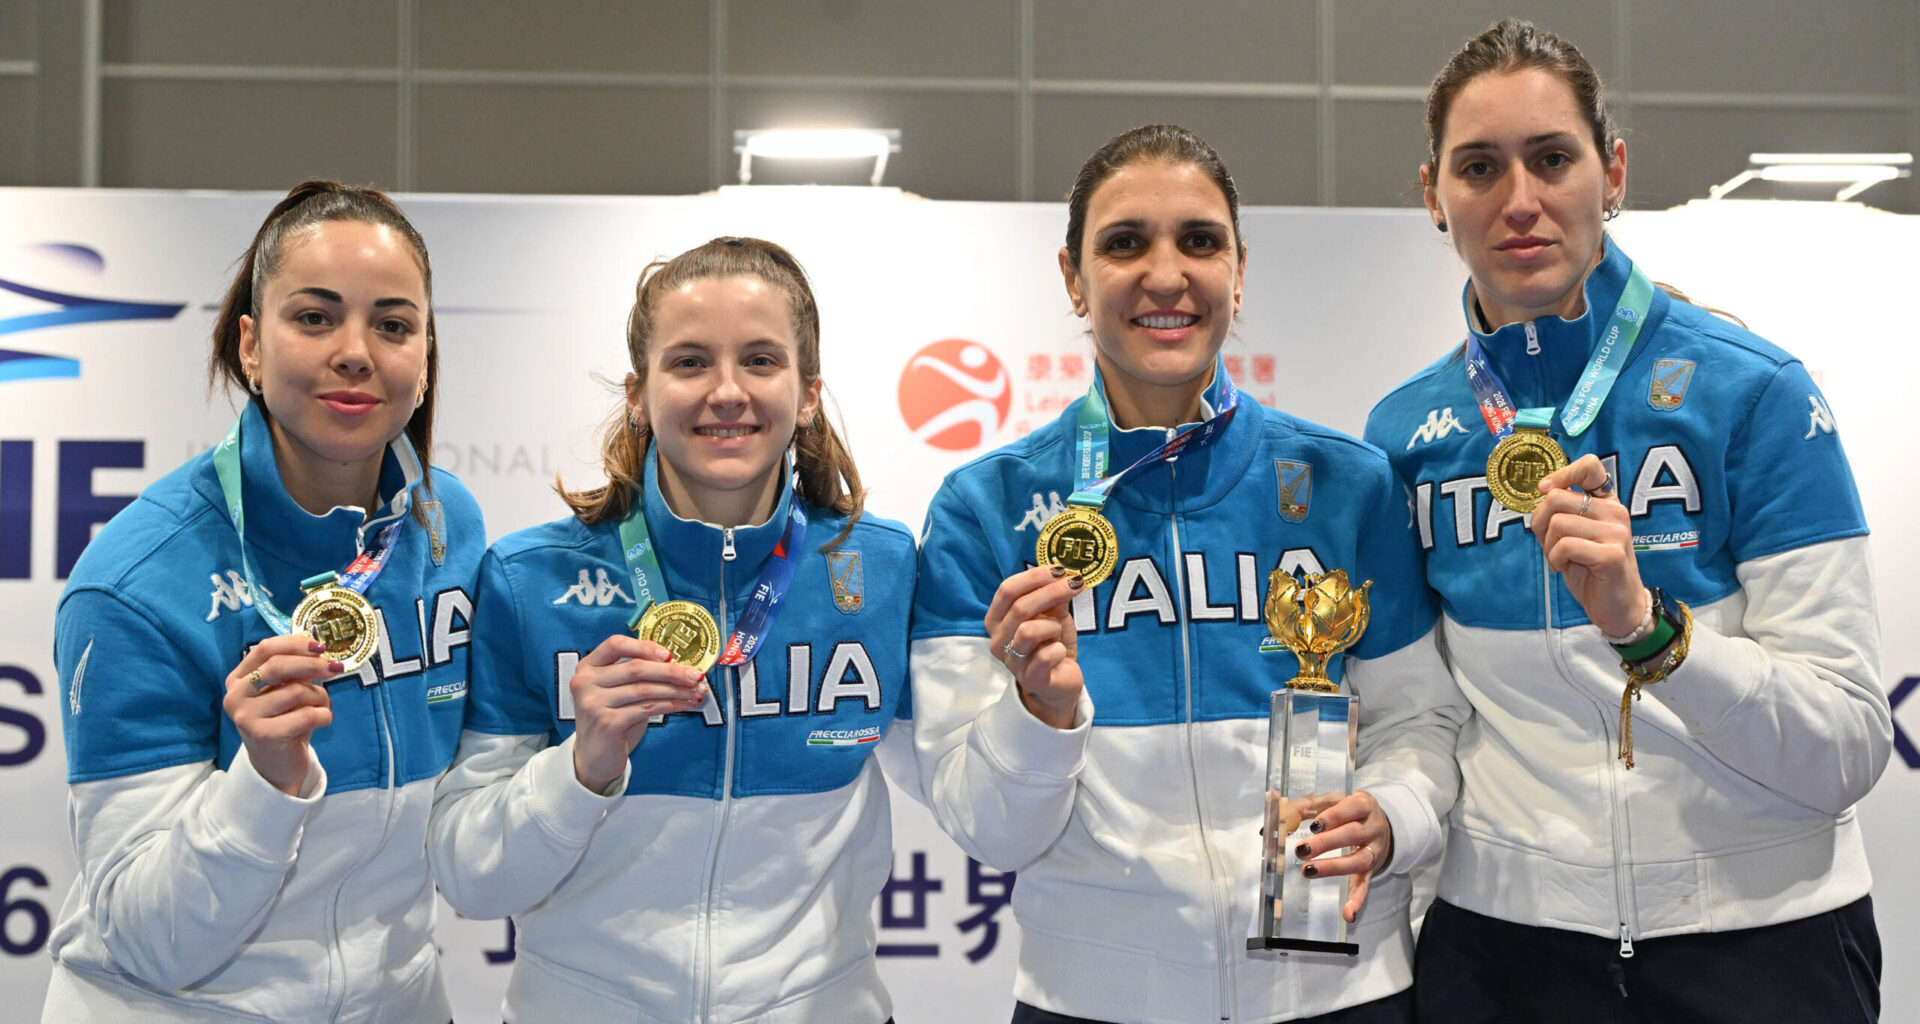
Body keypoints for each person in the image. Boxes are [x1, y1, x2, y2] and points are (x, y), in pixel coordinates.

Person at [1364, 19, 1890, 1022]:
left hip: (1763, 943)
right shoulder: (1403, 437)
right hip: (1502, 953)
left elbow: (1849, 746)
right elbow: (1420, 719)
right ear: (1435, 195)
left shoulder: (1753, 394)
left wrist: (1651, 632)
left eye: (1551, 159)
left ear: (1610, 172)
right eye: (1480, 167)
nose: (1519, 200)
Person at [912, 124, 1467, 1024]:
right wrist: (1040, 716)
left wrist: (1394, 809)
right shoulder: (985, 509)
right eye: (1125, 242)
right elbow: (988, 829)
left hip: (1339, 988)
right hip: (1094, 1003)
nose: (1165, 275)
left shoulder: (1347, 485)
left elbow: (1419, 718)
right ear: (1072, 277)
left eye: (1199, 241)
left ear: (1239, 271)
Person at [429, 237, 917, 1023]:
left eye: (760, 361)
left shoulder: (882, 568)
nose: (727, 391)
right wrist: (581, 769)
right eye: (690, 362)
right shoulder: (529, 581)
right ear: (639, 394)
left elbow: (986, 815)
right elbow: (470, 879)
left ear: (809, 393)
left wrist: (1037, 711)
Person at [45, 181, 483, 1022]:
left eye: (393, 325)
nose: (355, 352)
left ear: (425, 357)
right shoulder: (135, 582)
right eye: (315, 317)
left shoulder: (447, 525)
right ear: (251, 345)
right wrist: (266, 783)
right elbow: (149, 942)